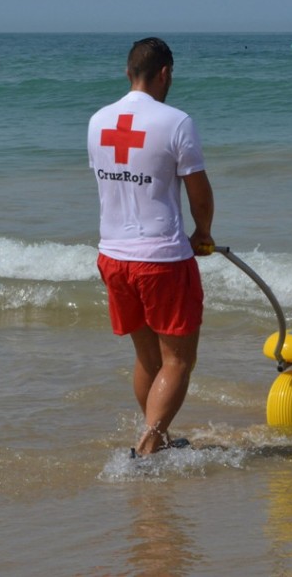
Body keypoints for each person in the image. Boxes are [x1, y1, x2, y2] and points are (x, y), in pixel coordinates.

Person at [87, 37, 215, 456]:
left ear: (128, 73)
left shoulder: (98, 121)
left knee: (148, 359)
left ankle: (154, 440)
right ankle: (148, 445)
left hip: (113, 257)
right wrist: (203, 231)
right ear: (166, 74)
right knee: (178, 361)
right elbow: (199, 193)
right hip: (160, 259)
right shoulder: (175, 122)